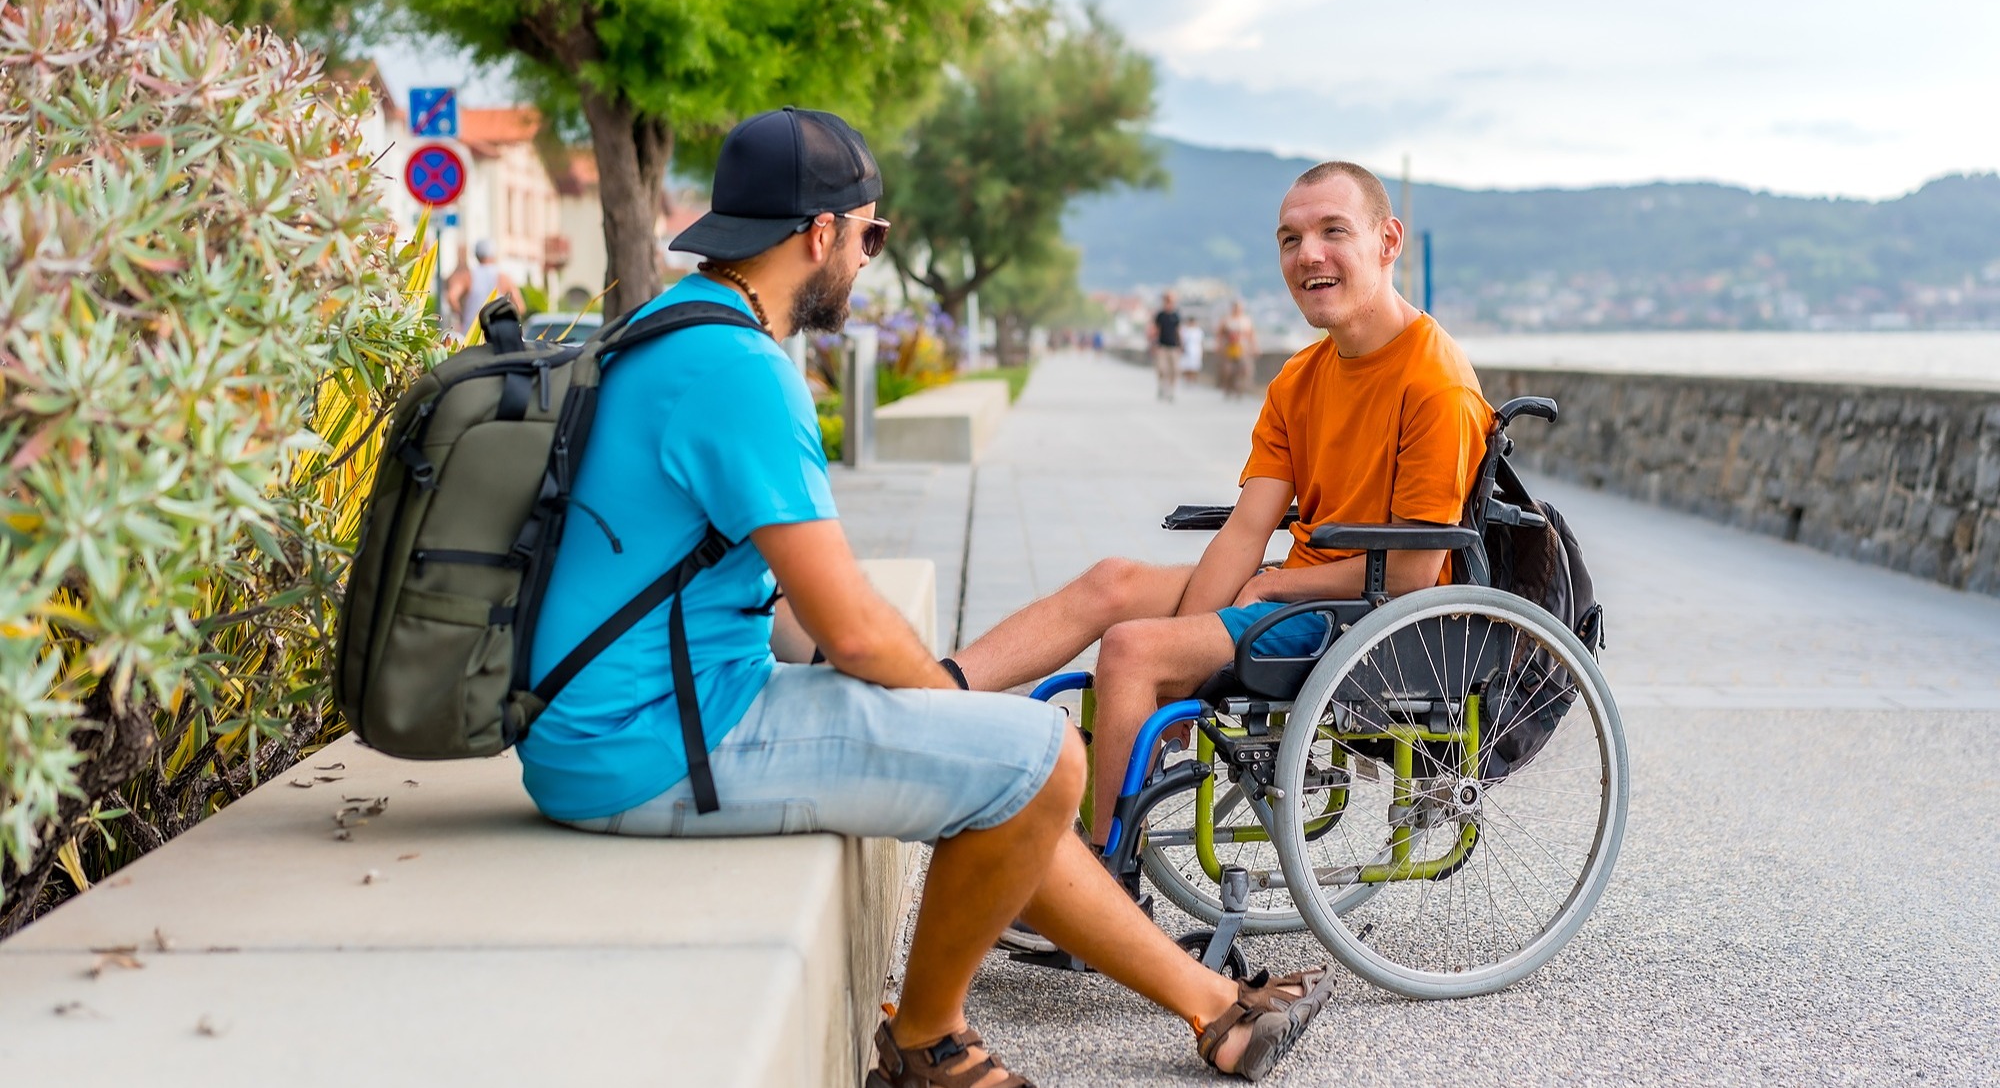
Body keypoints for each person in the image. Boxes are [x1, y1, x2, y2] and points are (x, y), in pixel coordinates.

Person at [520, 106, 1333, 1088]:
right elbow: (854, 630)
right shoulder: (739, 370)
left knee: (1013, 765)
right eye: (872, 233)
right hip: (655, 744)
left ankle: (1215, 1013)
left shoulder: (669, 327)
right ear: (819, 233)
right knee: (1034, 756)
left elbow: (743, 588)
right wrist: (948, 706)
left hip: (618, 720)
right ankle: (926, 1043)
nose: (869, 258)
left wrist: (930, 712)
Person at [944, 161, 1494, 846]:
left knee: (1130, 651)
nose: (1308, 255)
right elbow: (1245, 530)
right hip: (1296, 596)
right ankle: (934, 692)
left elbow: (1414, 573)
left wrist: (1268, 590)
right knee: (1113, 580)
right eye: (1290, 239)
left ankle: (1101, 877)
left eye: (1332, 231)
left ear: (1388, 241)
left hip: (1370, 619)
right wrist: (1198, 645)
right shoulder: (1300, 378)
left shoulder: (1435, 383)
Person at [458, 238, 524, 335]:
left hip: (471, 334)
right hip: (498, 334)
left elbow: (451, 297)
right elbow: (520, 307)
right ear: (494, 255)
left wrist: (463, 314)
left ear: (476, 255)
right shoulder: (503, 277)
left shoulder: (468, 276)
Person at [1217, 301, 1259, 400]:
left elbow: (1251, 334)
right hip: (1229, 348)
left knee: (1243, 370)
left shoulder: (1246, 320)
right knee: (1228, 370)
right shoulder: (1227, 320)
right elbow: (1220, 333)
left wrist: (1254, 347)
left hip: (1243, 348)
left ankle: (1239, 390)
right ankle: (1228, 388)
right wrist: (1219, 345)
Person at [1148, 290, 1182, 401]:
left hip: (1173, 346)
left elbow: (1178, 331)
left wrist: (1181, 344)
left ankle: (1171, 390)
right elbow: (1155, 330)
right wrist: (1153, 344)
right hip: (1162, 346)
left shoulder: (1176, 315)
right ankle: (1162, 386)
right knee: (1162, 369)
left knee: (1175, 370)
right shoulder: (1160, 315)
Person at [1180, 320, 1205, 385]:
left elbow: (1201, 342)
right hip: (1187, 350)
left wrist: (1202, 351)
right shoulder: (1185, 330)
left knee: (1194, 367)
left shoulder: (1198, 331)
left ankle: (1192, 380)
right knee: (1186, 366)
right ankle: (1187, 379)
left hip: (1196, 351)